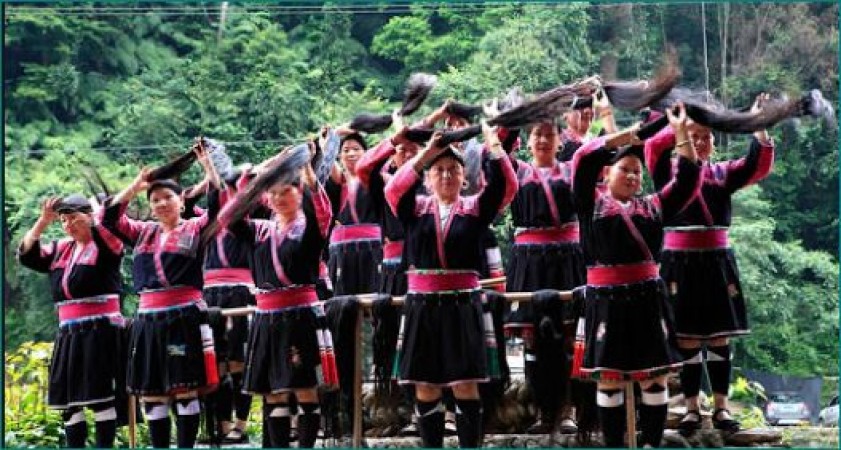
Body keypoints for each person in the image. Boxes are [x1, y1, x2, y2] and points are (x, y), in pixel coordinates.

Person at [571, 103, 701, 447]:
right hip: (605, 302)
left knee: (654, 380)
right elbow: (583, 159)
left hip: (647, 300)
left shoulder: (653, 206)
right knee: (610, 381)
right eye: (625, 169)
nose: (632, 176)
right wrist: (632, 136)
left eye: (637, 172)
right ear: (607, 173)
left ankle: (651, 444)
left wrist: (681, 133)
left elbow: (687, 181)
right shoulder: (590, 204)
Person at [645, 94, 776, 435]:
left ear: (714, 144)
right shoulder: (667, 174)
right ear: (680, 140)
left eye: (706, 137)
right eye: (694, 136)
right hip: (679, 263)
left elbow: (756, 166)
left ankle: (720, 408)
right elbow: (653, 150)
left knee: (719, 339)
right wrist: (679, 124)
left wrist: (758, 127)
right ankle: (691, 409)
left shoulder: (723, 173)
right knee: (687, 339)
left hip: (717, 263)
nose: (700, 142)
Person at [384, 123, 518, 448]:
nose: (445, 176)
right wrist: (428, 151)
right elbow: (393, 190)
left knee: (465, 385)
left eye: (452, 170)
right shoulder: (414, 210)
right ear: (428, 180)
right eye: (438, 170)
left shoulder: (475, 210)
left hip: (463, 307)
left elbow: (508, 185)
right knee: (426, 387)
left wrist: (493, 145)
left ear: (464, 178)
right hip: (422, 307)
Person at [101, 144, 222, 448]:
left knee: (184, 388)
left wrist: (209, 170)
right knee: (152, 393)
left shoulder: (196, 228)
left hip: (182, 320)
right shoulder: (141, 232)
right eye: (155, 200)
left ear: (182, 201)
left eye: (168, 197)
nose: (162, 203)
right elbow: (110, 218)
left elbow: (221, 208)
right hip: (148, 323)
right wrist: (136, 185)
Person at [219, 152, 334, 448]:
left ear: (299, 194)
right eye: (273, 193)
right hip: (266, 318)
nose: (280, 198)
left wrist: (307, 170)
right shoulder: (258, 230)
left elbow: (323, 213)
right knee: (273, 391)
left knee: (305, 388)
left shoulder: (309, 227)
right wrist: (258, 176)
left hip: (300, 314)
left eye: (287, 191)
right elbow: (227, 216)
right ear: (265, 199)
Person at [18, 194, 127, 448]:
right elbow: (26, 255)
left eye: (74, 218)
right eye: (63, 220)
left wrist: (98, 217)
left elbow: (110, 234)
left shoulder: (106, 245)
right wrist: (43, 222)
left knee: (101, 398)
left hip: (100, 331)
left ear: (90, 217)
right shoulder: (60, 248)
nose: (68, 225)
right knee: (68, 404)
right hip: (68, 333)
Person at [504, 118, 587, 434]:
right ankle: (543, 411)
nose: (542, 139)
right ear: (527, 139)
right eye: (537, 133)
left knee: (568, 337)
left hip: (567, 259)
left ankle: (567, 410)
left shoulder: (572, 170)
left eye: (549, 134)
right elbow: (493, 152)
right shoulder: (517, 172)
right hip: (529, 262)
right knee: (533, 339)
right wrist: (515, 115)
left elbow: (597, 153)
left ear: (559, 141)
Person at [325, 132, 383, 295]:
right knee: (345, 304)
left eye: (356, 149)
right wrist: (332, 136)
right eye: (346, 150)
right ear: (339, 156)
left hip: (373, 251)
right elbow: (327, 161)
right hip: (342, 254)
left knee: (374, 299)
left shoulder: (376, 180)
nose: (351, 153)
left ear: (366, 153)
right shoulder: (338, 182)